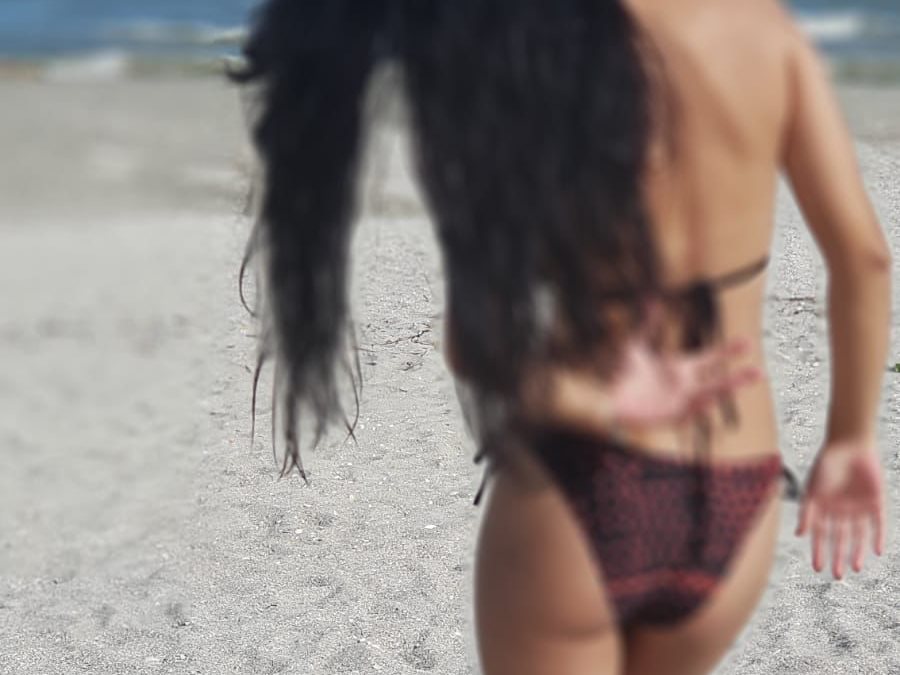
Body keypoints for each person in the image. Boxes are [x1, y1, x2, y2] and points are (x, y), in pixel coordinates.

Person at [232, 1, 890, 673]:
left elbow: (475, 342)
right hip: (736, 493)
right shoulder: (768, 34)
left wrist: (603, 401)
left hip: (582, 483)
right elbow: (865, 260)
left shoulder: (548, 48)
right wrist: (849, 439)